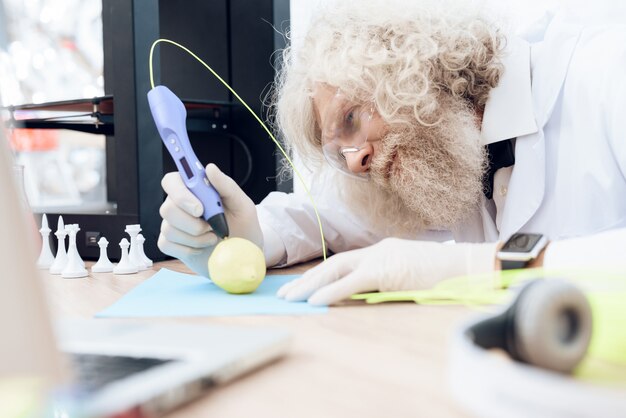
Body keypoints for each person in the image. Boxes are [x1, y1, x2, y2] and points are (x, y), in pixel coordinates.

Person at [158, 0, 626, 305]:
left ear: (411, 66)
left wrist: (473, 267)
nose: (355, 161)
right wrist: (248, 235)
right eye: (339, 154)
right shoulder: (441, 156)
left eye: (351, 118)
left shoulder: (605, 72)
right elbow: (327, 218)